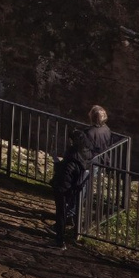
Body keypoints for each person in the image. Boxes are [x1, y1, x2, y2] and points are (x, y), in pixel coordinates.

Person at [52, 104, 121, 246]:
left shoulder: (88, 133)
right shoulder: (107, 130)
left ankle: (71, 217)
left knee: (78, 191)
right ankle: (72, 218)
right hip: (98, 163)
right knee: (83, 189)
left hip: (88, 163)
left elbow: (84, 148)